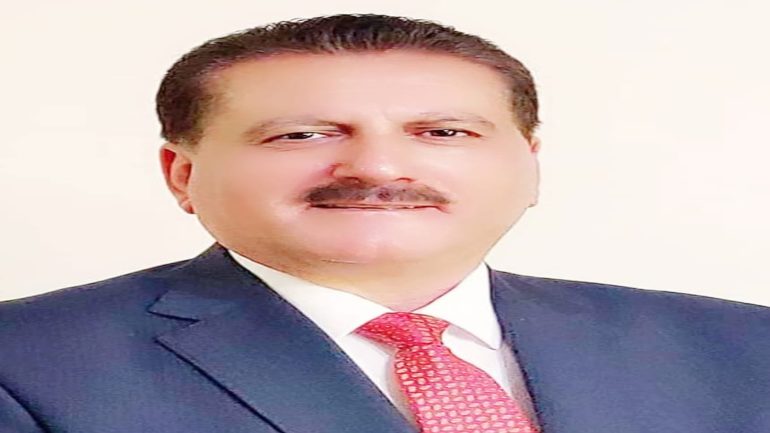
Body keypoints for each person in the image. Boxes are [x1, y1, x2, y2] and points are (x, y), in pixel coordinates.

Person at [0, 13, 768, 433]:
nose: (378, 166)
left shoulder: (742, 345)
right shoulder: (25, 367)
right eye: (302, 134)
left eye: (443, 132)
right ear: (182, 174)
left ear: (529, 163)